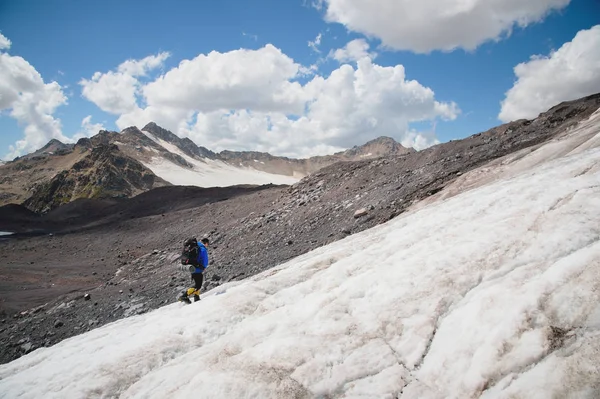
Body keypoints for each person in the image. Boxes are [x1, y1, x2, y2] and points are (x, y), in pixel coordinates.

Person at [179, 237, 209, 303]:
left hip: (193, 267)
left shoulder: (196, 246)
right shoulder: (202, 249)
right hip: (197, 268)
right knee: (198, 285)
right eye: (207, 244)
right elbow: (204, 260)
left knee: (197, 283)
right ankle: (184, 296)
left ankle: (196, 297)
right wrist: (203, 266)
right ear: (206, 243)